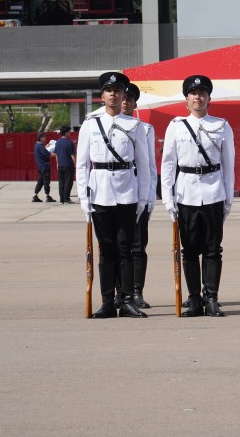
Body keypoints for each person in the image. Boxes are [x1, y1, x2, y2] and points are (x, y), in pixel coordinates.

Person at [76, 71, 152, 319]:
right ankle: (107, 300)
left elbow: (144, 164)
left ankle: (128, 300)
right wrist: (84, 199)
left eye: (118, 91)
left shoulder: (135, 126)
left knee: (126, 249)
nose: (114, 94)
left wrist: (142, 199)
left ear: (123, 96)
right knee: (106, 250)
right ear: (103, 95)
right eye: (109, 90)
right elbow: (82, 165)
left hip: (127, 194)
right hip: (100, 194)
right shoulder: (90, 124)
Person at [160, 75, 235, 317]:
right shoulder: (176, 126)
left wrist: (228, 198)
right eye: (193, 93)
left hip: (213, 192)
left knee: (213, 249)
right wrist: (168, 198)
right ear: (186, 99)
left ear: (209, 98)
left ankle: (211, 297)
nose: (198, 97)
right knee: (190, 250)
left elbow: (228, 163)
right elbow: (168, 164)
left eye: (202, 93)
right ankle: (193, 298)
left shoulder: (222, 125)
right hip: (186, 193)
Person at [122, 83, 157, 309]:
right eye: (123, 98)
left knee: (137, 246)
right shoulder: (98, 124)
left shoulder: (144, 129)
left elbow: (150, 167)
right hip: (114, 194)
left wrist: (150, 198)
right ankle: (119, 292)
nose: (125, 102)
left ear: (135, 104)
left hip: (138, 194)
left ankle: (136, 291)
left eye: (129, 99)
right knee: (116, 247)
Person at [53, 125, 76, 204]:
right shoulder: (69, 142)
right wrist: (75, 164)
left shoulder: (57, 142)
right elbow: (72, 155)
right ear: (66, 133)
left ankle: (62, 199)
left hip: (60, 165)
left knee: (61, 182)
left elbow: (56, 154)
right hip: (68, 164)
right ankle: (66, 198)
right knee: (68, 182)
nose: (70, 133)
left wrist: (57, 164)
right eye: (69, 131)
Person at [32, 134, 55, 203]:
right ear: (41, 138)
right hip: (44, 167)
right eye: (45, 138)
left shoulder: (37, 145)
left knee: (41, 181)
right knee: (46, 181)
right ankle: (47, 196)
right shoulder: (40, 146)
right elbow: (48, 154)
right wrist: (59, 154)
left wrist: (46, 147)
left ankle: (35, 195)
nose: (45, 139)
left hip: (40, 167)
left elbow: (43, 152)